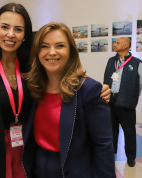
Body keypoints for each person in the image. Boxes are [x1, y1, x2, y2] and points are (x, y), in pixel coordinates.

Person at [0, 3, 111, 178]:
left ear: (25, 34)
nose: (11, 34)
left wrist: (95, 89)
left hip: (27, 153)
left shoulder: (30, 69)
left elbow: (62, 75)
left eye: (18, 29)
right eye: (5, 27)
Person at [22, 22, 116, 178]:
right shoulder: (34, 88)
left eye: (59, 46)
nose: (52, 52)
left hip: (73, 171)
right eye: (44, 46)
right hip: (37, 169)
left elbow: (103, 147)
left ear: (71, 51)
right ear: (37, 52)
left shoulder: (89, 90)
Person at [104, 37, 142, 167]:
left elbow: (140, 83)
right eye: (115, 43)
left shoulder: (137, 63)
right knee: (111, 129)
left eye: (117, 43)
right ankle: (111, 153)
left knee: (129, 131)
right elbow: (105, 79)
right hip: (111, 100)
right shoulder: (111, 61)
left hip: (126, 101)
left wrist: (132, 97)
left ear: (125, 46)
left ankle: (130, 157)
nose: (115, 44)